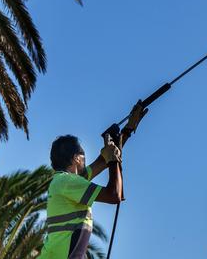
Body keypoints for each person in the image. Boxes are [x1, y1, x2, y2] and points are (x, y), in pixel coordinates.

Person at [38, 102, 147, 258]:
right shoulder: (68, 182)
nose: (85, 159)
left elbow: (103, 161)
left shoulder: (67, 181)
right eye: (83, 156)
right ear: (76, 158)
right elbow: (113, 195)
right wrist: (113, 160)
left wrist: (128, 130)